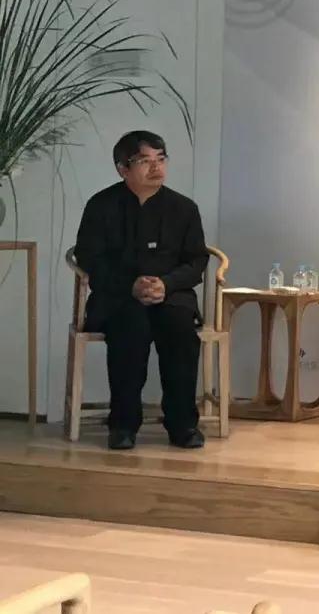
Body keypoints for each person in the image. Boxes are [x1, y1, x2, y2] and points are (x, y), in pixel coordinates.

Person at [74, 130, 207, 451]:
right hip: (117, 295)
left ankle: (183, 425)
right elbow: (89, 257)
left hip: (171, 294)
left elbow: (196, 260)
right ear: (123, 169)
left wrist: (166, 284)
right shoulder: (101, 205)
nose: (156, 167)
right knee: (129, 328)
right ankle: (123, 424)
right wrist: (129, 285)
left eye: (161, 159)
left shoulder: (184, 208)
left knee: (179, 330)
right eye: (145, 161)